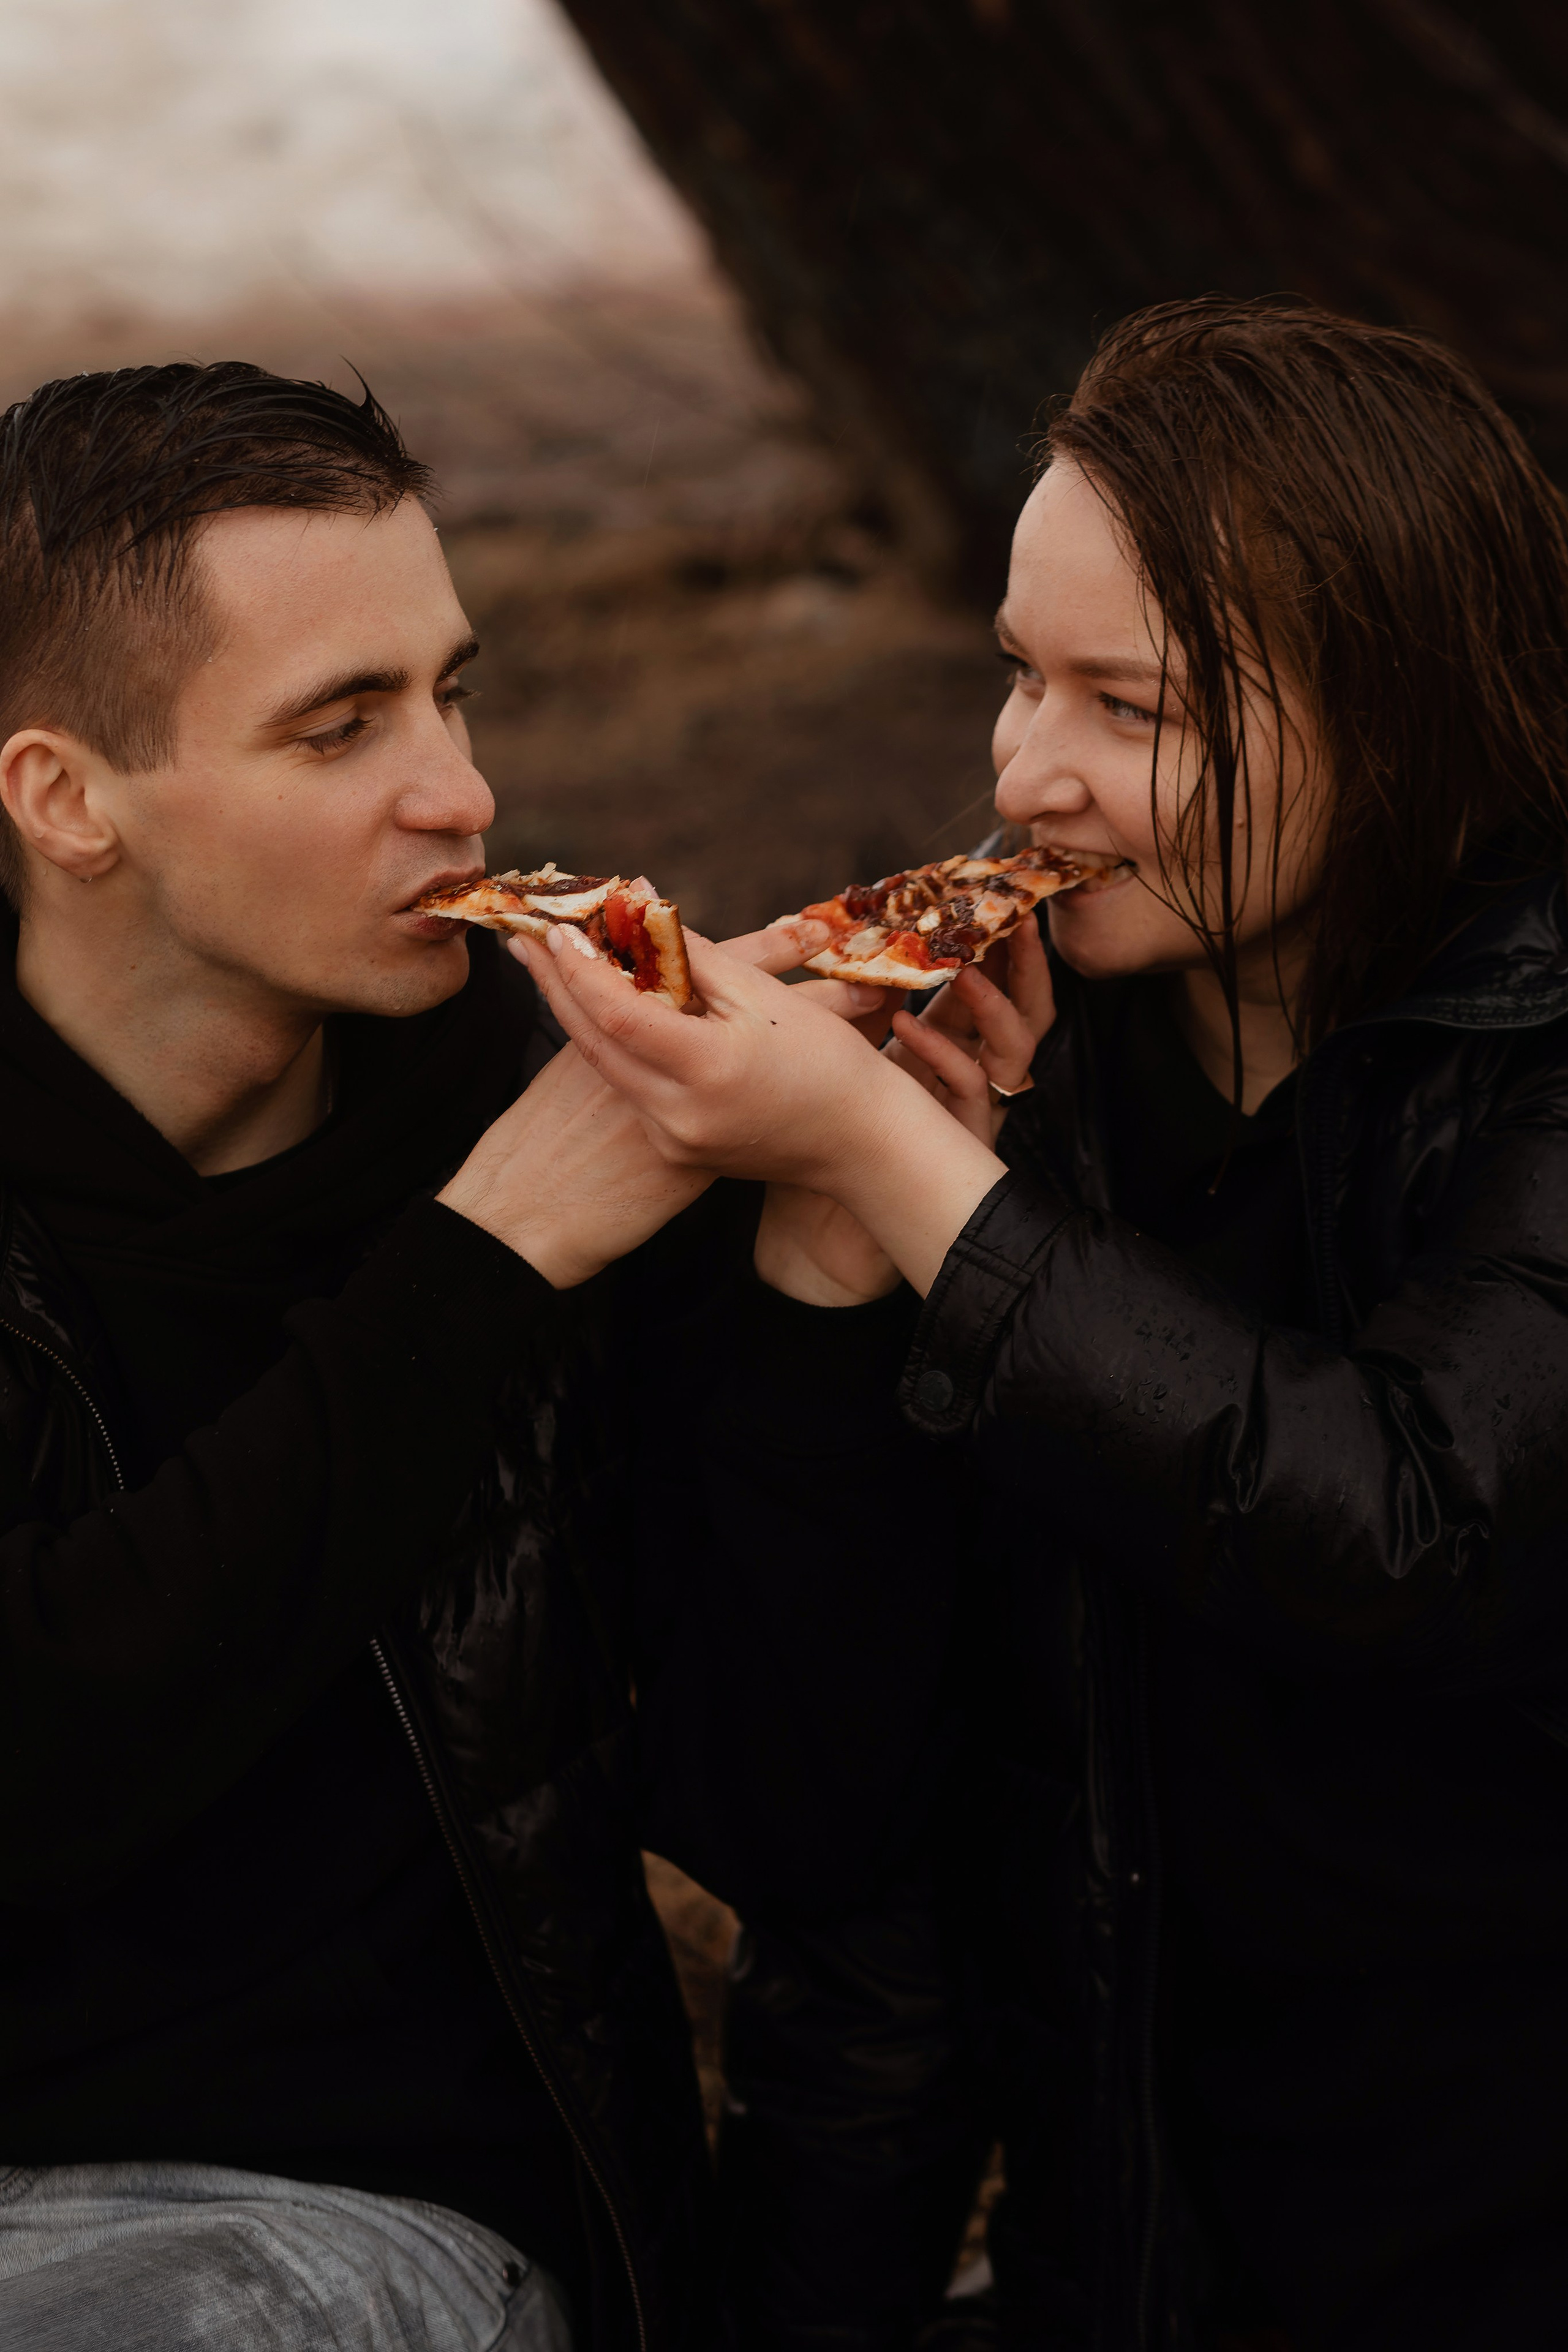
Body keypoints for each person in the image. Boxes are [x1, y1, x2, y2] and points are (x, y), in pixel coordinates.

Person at [526, 298, 1568, 2351]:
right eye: (1018, 674)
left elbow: (1407, 1521)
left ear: (1412, 712)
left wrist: (924, 1191)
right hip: (1124, 2257)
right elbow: (794, 1818)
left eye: (1139, 706)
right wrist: (834, 1258)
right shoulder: (1018, 1064)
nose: (1027, 769)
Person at [0, 359, 777, 2352]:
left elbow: (800, 1777)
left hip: (339, 2208)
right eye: (344, 727)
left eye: (452, 691)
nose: (462, 792)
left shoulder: (562, 1102)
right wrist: (486, 1258)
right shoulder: (532, 1186)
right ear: (65, 798)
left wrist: (839, 1267)